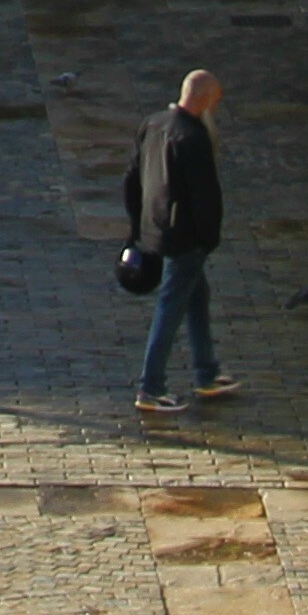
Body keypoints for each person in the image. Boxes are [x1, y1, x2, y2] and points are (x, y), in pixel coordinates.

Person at [126, 68, 240, 415]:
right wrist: (208, 240)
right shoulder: (193, 138)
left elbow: (134, 178)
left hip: (156, 229)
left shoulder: (154, 124)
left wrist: (137, 227)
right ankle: (151, 386)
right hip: (185, 238)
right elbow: (205, 197)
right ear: (204, 100)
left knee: (196, 297)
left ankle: (207, 372)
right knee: (171, 305)